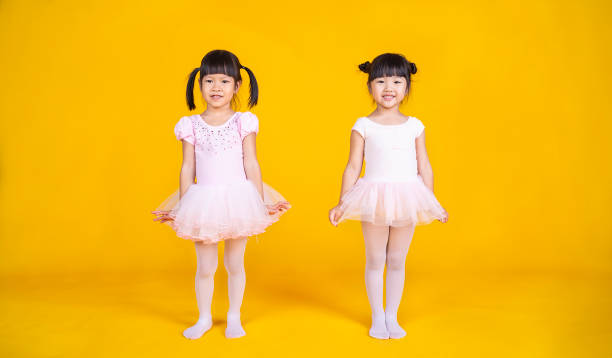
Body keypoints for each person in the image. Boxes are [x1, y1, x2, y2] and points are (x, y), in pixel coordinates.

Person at [152, 49, 290, 339]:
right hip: (203, 201)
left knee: (234, 263)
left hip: (239, 199)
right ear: (199, 85)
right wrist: (183, 204)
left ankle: (234, 317)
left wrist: (259, 200)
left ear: (237, 86)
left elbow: (251, 161)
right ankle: (203, 318)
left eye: (225, 81)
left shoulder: (244, 121)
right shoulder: (190, 125)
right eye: (209, 81)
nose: (216, 88)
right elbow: (187, 166)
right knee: (205, 266)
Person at [329, 53, 449, 339]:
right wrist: (342, 202)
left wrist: (431, 203)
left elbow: (425, 165)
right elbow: (353, 167)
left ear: (406, 86)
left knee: (397, 259)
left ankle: (392, 316)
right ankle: (377, 317)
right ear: (370, 86)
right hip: (373, 196)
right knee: (375, 259)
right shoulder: (363, 125)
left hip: (408, 195)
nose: (388, 88)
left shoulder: (415, 126)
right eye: (381, 81)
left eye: (397, 81)